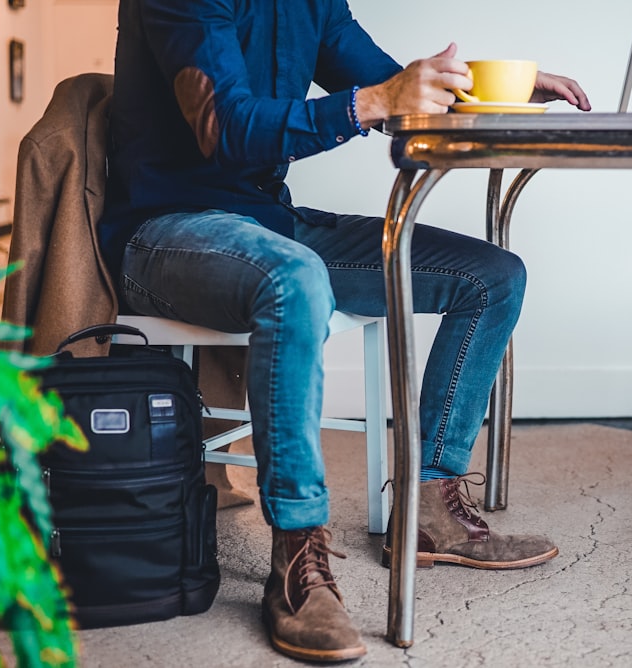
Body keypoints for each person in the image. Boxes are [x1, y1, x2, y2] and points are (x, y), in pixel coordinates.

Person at [98, 0, 591, 662]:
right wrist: (370, 102)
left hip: (272, 227)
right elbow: (227, 125)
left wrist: (497, 90)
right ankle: (297, 561)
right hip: (167, 233)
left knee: (493, 277)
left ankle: (429, 510)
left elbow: (393, 87)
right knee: (297, 280)